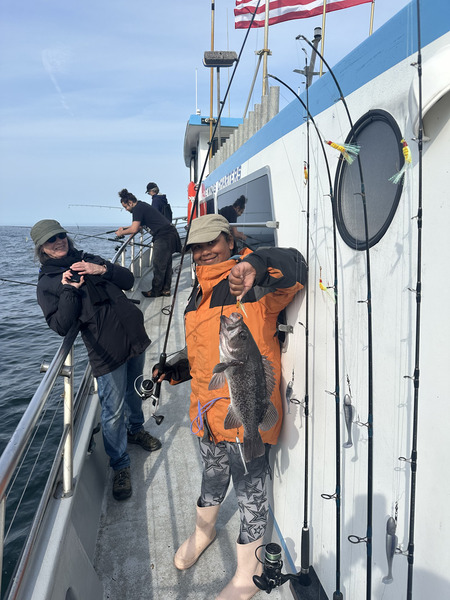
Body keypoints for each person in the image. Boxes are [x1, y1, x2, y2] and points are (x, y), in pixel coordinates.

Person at [154, 214, 306, 600]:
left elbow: (296, 266)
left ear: (230, 240)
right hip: (205, 415)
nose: (205, 252)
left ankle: (247, 572)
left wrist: (255, 265)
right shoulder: (196, 293)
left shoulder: (252, 285)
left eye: (213, 243)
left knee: (250, 493)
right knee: (212, 477)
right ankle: (203, 533)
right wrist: (174, 370)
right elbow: (204, 354)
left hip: (242, 418)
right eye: (197, 247)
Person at [30, 219, 162, 502]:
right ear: (41, 248)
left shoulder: (87, 257)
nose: (59, 241)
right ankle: (120, 464)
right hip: (105, 349)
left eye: (61, 235)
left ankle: (136, 429)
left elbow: (128, 280)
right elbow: (61, 325)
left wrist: (101, 269)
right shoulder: (47, 283)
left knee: (135, 390)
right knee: (112, 410)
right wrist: (69, 289)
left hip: (133, 335)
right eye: (51, 239)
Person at [115, 188, 181, 298]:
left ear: (130, 202)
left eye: (126, 207)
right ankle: (166, 290)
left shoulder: (137, 209)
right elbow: (138, 226)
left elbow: (134, 228)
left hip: (163, 236)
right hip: (170, 233)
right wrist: (125, 228)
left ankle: (156, 291)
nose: (126, 209)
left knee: (159, 265)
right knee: (166, 263)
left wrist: (121, 233)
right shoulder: (142, 205)